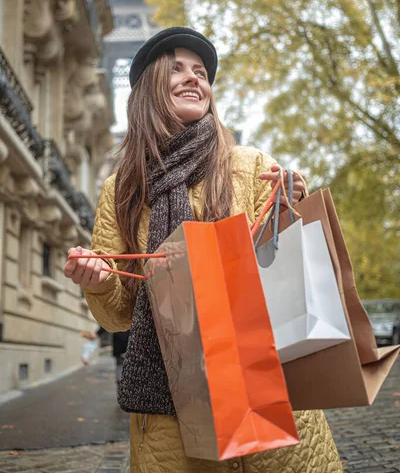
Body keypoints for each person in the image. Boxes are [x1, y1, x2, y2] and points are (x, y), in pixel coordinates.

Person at [63, 27, 343, 472]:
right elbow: (117, 314)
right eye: (176, 69)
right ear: (147, 90)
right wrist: (97, 281)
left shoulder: (250, 165)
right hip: (170, 403)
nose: (194, 78)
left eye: (201, 72)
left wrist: (290, 209)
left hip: (266, 388)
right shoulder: (121, 190)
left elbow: (285, 271)